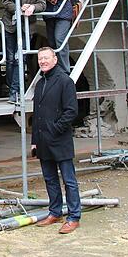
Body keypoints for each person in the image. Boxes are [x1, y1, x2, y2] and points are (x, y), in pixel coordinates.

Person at [30, 47, 81, 234]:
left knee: (69, 180)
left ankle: (74, 216)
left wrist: (55, 129)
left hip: (59, 139)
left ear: (55, 59)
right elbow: (37, 116)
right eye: (40, 59)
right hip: (43, 141)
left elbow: (71, 111)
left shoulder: (65, 81)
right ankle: (55, 212)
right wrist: (34, 140)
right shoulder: (40, 83)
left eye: (46, 58)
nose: (42, 61)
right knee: (50, 179)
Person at [2, 0, 47, 103]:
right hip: (10, 24)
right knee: (10, 59)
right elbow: (5, 0)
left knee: (21, 58)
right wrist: (19, 8)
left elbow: (43, 3)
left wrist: (33, 7)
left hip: (28, 25)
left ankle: (14, 91)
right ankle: (11, 87)